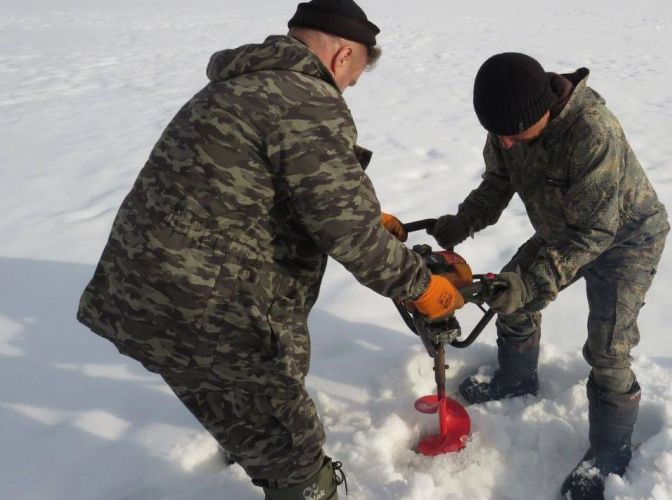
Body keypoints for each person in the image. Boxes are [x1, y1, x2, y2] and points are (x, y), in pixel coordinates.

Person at [76, 1, 463, 499]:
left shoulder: (240, 84)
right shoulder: (305, 100)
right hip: (211, 310)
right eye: (354, 78)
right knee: (294, 448)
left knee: (238, 405)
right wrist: (422, 287)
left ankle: (256, 447)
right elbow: (349, 234)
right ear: (344, 54)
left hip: (139, 293)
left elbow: (271, 189)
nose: (347, 89)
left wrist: (367, 217)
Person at [429, 53, 669, 499]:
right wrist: (463, 222)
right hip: (565, 230)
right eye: (497, 134)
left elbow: (596, 233)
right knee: (511, 292)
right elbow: (498, 183)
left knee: (608, 347)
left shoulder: (592, 132)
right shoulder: (507, 121)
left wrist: (533, 282)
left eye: (513, 134)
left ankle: (610, 453)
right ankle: (517, 378)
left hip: (626, 240)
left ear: (542, 111)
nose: (504, 142)